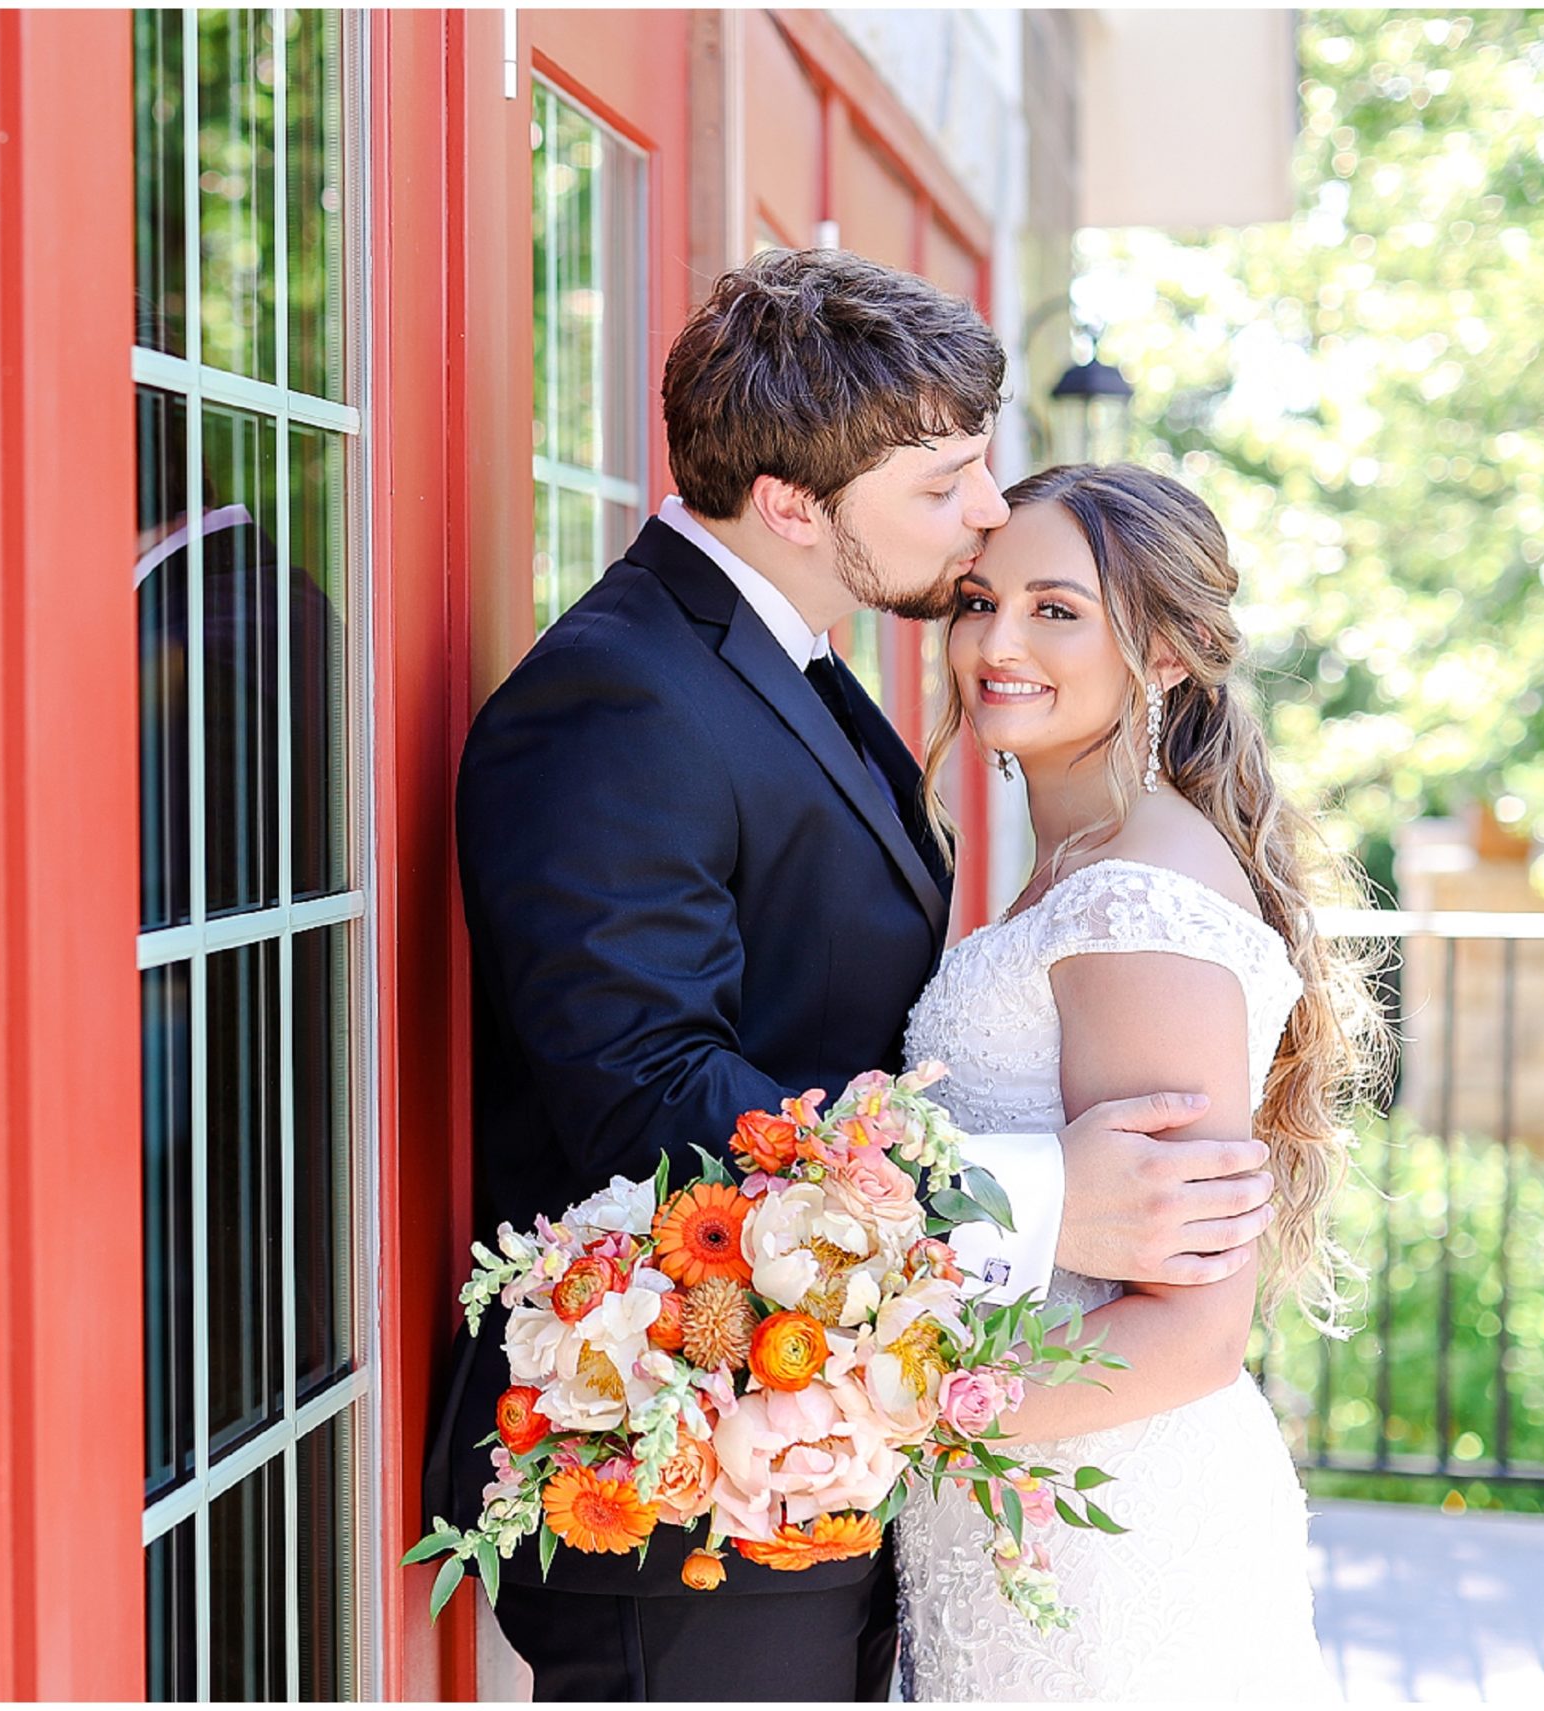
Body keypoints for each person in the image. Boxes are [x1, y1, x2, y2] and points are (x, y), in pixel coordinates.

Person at [428, 248, 1283, 1701]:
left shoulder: (794, 672)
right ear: (790, 504)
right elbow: (648, 1096)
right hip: (692, 1509)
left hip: (845, 1476)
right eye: (944, 479)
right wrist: (1031, 1193)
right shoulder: (624, 698)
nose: (985, 511)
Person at [892, 464, 1378, 1700]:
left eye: (1056, 609)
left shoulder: (1133, 900)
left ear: (1163, 653)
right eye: (976, 599)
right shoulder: (1081, 863)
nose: (996, 642)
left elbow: (1190, 1332)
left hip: (1107, 1532)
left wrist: (899, 1413)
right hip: (1031, 1498)